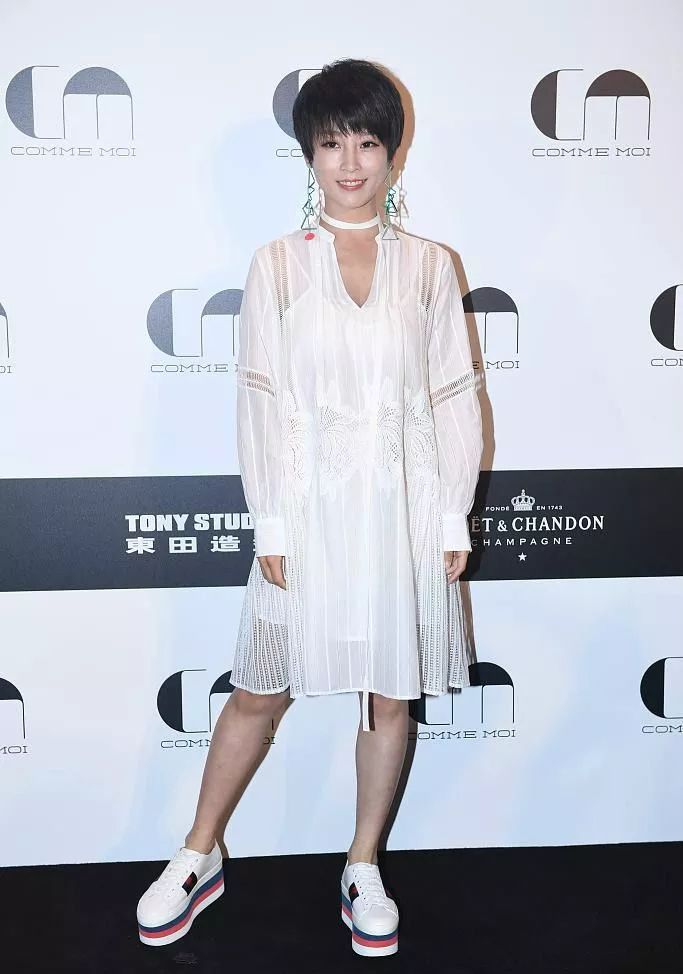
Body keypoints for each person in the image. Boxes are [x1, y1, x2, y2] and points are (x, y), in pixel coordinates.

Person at [136, 57, 483, 958]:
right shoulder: (277, 265)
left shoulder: (430, 267)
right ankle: (198, 851)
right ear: (309, 156)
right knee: (258, 688)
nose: (350, 163)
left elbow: (453, 397)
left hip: (404, 510)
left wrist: (451, 515)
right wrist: (274, 523)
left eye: (367, 142)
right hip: (309, 510)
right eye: (332, 144)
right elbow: (260, 401)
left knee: (388, 694)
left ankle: (362, 864)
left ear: (393, 152)